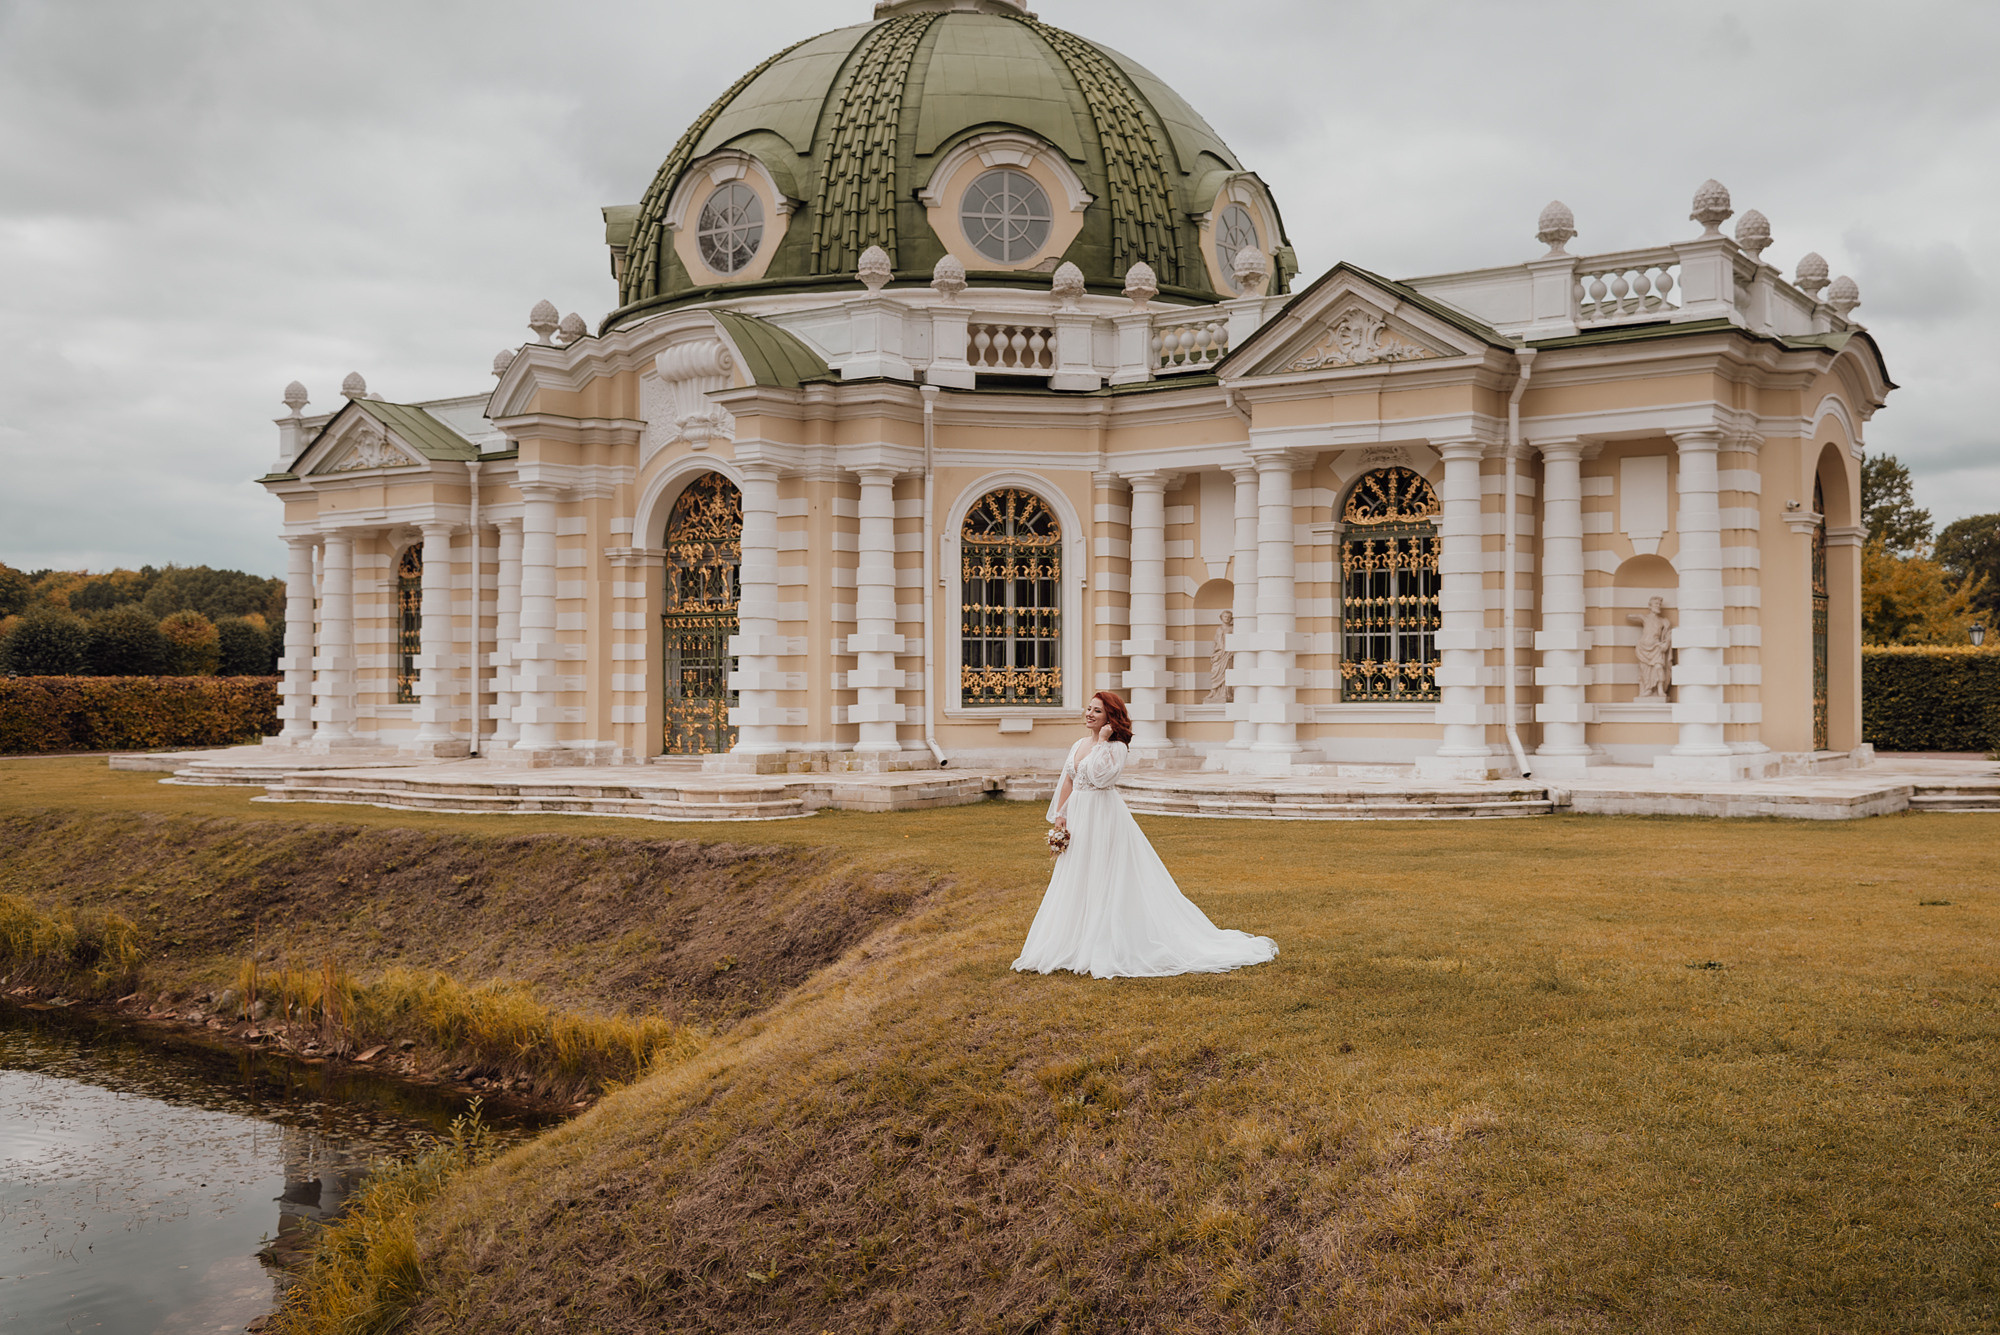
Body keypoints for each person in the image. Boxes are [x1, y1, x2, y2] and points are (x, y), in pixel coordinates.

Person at [1012, 690, 1279, 979]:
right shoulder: (1077, 744)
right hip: (1077, 814)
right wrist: (1060, 816)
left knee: (1105, 873)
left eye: (1097, 711)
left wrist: (1102, 742)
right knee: (1076, 874)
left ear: (1110, 718)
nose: (1089, 714)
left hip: (1103, 815)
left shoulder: (1116, 747)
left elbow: (1103, 778)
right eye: (1088, 708)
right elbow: (1068, 779)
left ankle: (1104, 942)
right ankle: (1072, 940)